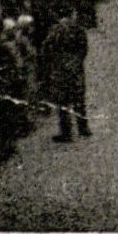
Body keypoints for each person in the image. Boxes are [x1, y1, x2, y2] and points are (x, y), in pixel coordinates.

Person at [42, 7, 91, 143]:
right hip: (75, 66)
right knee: (79, 98)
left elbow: (47, 49)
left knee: (62, 101)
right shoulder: (77, 28)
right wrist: (78, 60)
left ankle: (66, 132)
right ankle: (83, 127)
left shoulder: (55, 30)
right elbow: (84, 47)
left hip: (60, 67)